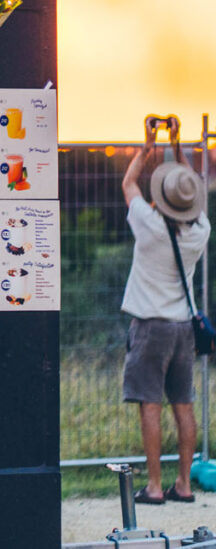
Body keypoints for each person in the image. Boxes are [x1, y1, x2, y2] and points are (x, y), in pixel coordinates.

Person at [120, 119, 211, 505]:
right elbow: (191, 193)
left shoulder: (148, 224)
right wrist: (179, 154)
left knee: (150, 405)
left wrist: (147, 147)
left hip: (150, 327)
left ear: (163, 196)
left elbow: (128, 185)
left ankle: (155, 487)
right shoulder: (201, 230)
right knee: (184, 405)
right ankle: (184, 484)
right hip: (182, 330)